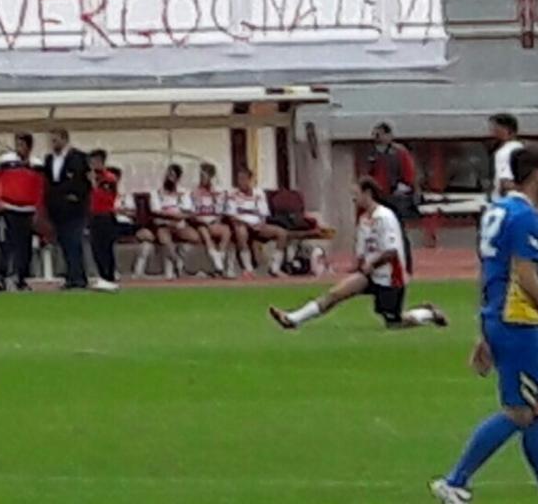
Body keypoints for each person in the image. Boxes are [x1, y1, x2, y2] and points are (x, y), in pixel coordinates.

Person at [429, 145, 538, 503]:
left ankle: (457, 480)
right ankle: (455, 480)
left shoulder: (497, 211)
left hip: (500, 318)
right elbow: (526, 277)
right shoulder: (524, 217)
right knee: (520, 411)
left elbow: (489, 273)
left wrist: (484, 326)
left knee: (532, 410)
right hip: (520, 322)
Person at [271, 177, 445, 330]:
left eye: (356, 194)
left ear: (367, 193)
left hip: (390, 277)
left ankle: (427, 313)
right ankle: (293, 319)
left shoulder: (385, 217)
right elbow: (362, 252)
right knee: (335, 294)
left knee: (394, 322)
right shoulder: (363, 220)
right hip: (369, 275)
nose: (354, 199)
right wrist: (356, 266)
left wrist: (372, 264)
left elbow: (391, 251)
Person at [0, 134, 43, 291]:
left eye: (21, 145)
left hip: (28, 210)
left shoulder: (37, 165)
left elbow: (41, 188)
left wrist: (39, 208)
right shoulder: (5, 161)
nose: (18, 148)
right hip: (8, 207)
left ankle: (21, 278)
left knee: (25, 247)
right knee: (7, 243)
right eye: (17, 144)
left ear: (29, 147)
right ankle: (2, 276)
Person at [43, 128, 91, 290]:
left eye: (55, 140)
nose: (53, 144)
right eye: (51, 141)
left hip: (74, 208)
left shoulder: (78, 158)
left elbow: (84, 183)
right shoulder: (49, 160)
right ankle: (71, 276)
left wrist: (75, 196)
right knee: (64, 242)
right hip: (57, 208)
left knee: (74, 241)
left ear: (64, 140)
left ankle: (79, 277)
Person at [223, 167, 289, 277]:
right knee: (241, 231)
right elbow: (232, 216)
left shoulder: (259, 193)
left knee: (282, 233)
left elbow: (264, 214)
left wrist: (260, 224)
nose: (241, 182)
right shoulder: (232, 194)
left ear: (249, 180)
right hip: (241, 224)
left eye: (243, 179)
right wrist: (246, 224)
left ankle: (275, 268)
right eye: (239, 179)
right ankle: (248, 268)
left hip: (257, 225)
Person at [86, 149, 124, 291]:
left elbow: (105, 197)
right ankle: (102, 275)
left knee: (106, 248)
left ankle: (109, 275)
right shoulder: (91, 177)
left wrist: (93, 184)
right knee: (96, 248)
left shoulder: (108, 178)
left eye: (95, 161)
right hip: (93, 216)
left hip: (105, 215)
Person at [187, 163, 230, 277]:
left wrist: (216, 221)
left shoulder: (218, 191)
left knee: (226, 231)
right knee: (204, 232)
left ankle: (219, 259)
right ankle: (218, 265)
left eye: (205, 176)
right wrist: (199, 220)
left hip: (213, 222)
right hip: (199, 222)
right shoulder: (194, 191)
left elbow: (220, 211)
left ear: (211, 177)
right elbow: (191, 211)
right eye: (201, 176)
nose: (202, 178)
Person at [491, 113, 524, 202]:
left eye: (495, 128)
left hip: (506, 202)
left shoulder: (504, 152)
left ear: (506, 130)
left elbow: (505, 183)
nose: (492, 131)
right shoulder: (521, 148)